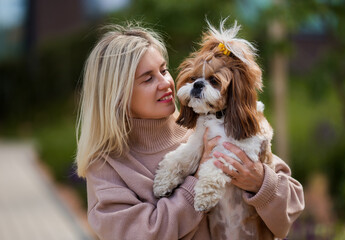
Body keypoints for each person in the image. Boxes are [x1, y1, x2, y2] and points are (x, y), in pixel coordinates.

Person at [75, 22, 304, 240]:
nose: (166, 83)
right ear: (117, 96)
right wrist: (193, 186)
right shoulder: (108, 166)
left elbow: (292, 203)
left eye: (164, 70)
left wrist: (260, 182)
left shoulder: (208, 124)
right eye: (148, 79)